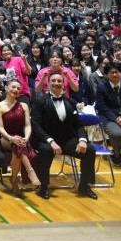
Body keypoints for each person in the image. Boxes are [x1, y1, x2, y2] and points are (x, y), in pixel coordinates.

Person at [30, 70, 98, 200]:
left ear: (63, 83)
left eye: (59, 81)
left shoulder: (70, 101)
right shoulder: (39, 101)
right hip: (45, 139)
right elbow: (35, 125)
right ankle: (43, 186)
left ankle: (84, 186)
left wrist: (82, 140)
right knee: (46, 151)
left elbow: (78, 124)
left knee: (89, 150)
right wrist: (50, 141)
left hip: (66, 140)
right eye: (53, 81)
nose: (56, 83)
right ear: (48, 83)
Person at [0, 79, 39, 196]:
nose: (16, 90)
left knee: (18, 146)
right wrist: (10, 138)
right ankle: (30, 171)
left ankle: (14, 179)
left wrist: (26, 138)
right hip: (4, 137)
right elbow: (0, 127)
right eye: (13, 87)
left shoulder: (24, 105)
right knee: (17, 143)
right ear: (6, 88)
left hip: (19, 138)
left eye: (18, 88)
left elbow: (28, 125)